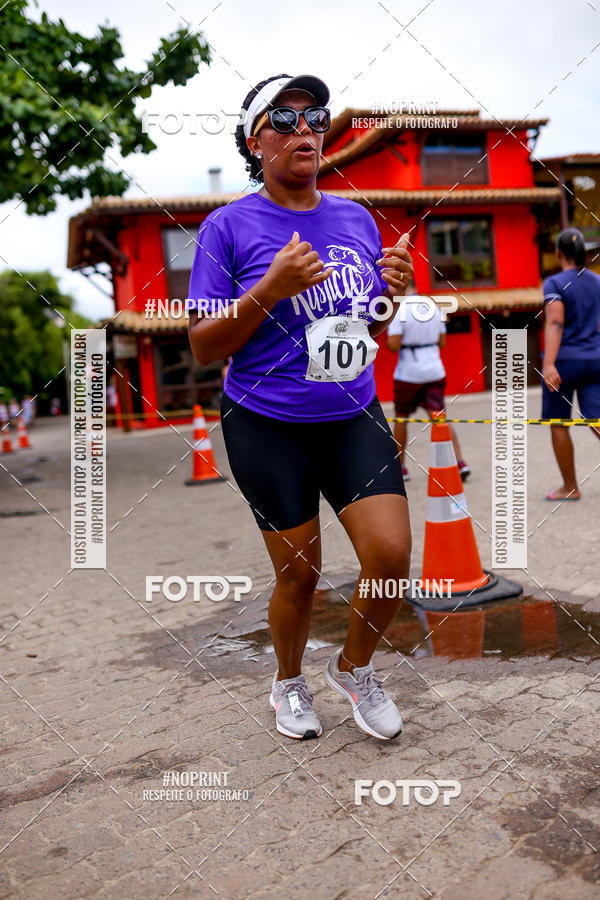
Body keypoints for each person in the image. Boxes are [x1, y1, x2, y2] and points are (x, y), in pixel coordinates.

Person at [188, 74, 413, 741]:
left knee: (391, 554)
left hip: (351, 414)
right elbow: (203, 345)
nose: (304, 129)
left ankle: (353, 668)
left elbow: (363, 325)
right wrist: (270, 287)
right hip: (265, 423)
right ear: (256, 142)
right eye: (283, 120)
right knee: (299, 575)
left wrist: (391, 295)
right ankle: (288, 683)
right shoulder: (226, 227)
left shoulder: (355, 218)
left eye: (314, 115)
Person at [542, 227, 600, 500]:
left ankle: (570, 487)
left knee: (558, 423)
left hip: (565, 362)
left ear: (558, 254)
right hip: (595, 358)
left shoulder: (554, 283)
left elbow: (555, 321)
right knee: (597, 420)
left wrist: (549, 363)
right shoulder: (597, 281)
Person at [387, 294, 469, 480]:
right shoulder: (433, 306)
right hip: (434, 370)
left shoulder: (399, 308)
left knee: (401, 418)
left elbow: (393, 344)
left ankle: (400, 468)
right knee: (439, 416)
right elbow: (442, 342)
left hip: (408, 373)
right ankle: (459, 461)